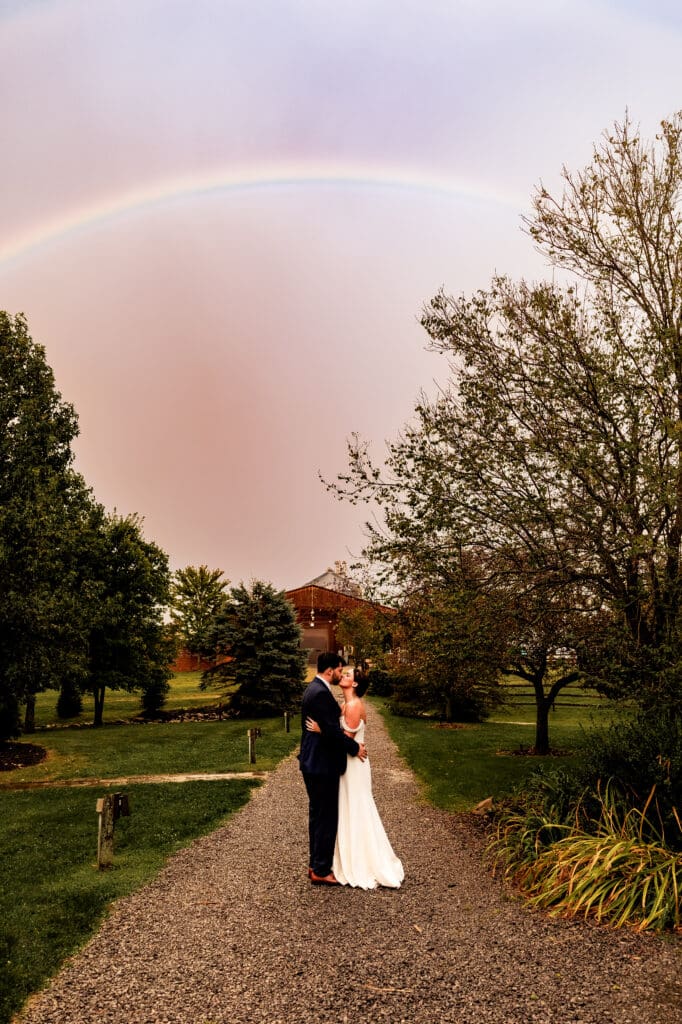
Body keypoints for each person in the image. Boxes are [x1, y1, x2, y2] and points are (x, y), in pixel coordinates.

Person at [306, 667, 404, 889]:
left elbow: (344, 739)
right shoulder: (344, 705)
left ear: (356, 684)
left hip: (353, 763)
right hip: (346, 762)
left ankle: (361, 860)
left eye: (348, 675)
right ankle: (340, 857)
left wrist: (322, 730)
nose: (344, 676)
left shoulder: (354, 706)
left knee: (356, 806)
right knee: (346, 807)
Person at [299, 652, 367, 886]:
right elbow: (334, 733)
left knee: (318, 816)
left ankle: (315, 863)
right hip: (321, 763)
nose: (341, 673)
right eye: (340, 670)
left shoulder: (316, 689)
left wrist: (325, 729)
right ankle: (320, 869)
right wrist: (354, 747)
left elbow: (328, 727)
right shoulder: (319, 694)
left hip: (314, 762)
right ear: (330, 670)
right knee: (326, 817)